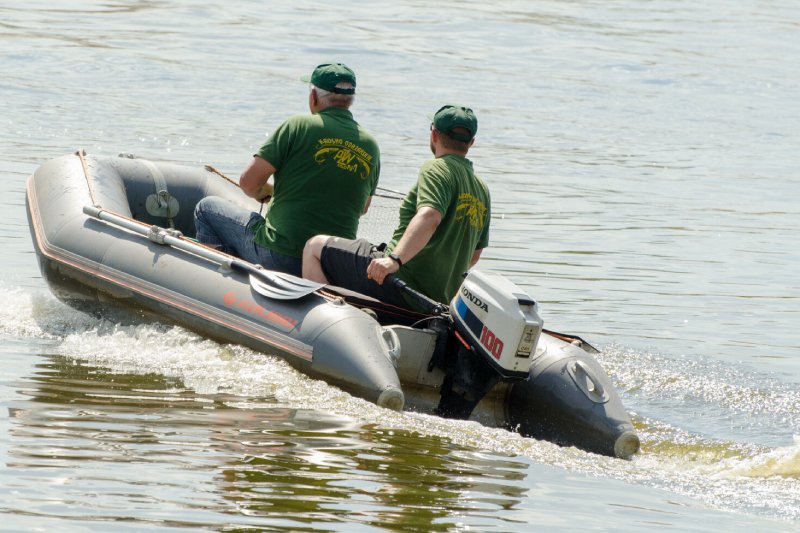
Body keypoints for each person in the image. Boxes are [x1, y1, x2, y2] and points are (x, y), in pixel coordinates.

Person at [194, 63, 381, 277]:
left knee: (206, 209)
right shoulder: (371, 145)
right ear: (350, 100)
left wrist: (264, 192)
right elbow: (362, 207)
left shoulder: (297, 126)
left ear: (313, 96)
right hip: (332, 264)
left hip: (280, 256)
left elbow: (248, 183)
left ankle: (221, 284)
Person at [303, 104, 490, 310]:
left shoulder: (436, 168)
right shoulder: (481, 188)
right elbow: (474, 255)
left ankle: (325, 320)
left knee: (314, 247)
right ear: (471, 142)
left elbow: (430, 216)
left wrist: (394, 260)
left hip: (400, 282)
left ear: (434, 134)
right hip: (436, 298)